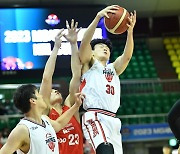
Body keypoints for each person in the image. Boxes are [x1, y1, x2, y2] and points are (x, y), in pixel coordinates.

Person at [0, 30, 84, 154]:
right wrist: (55, 47)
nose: (43, 94)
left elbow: (60, 123)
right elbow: (46, 78)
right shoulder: (23, 129)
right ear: (33, 100)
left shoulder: (46, 120)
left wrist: (76, 105)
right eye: (38, 93)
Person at [79, 5, 136, 154]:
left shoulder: (113, 68)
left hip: (113, 120)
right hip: (95, 116)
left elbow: (127, 56)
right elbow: (85, 42)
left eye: (107, 48)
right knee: (105, 150)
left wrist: (129, 32)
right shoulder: (89, 64)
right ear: (92, 52)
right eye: (100, 46)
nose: (105, 48)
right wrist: (98, 17)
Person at [39, 19, 83, 154]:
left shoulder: (70, 106)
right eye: (52, 91)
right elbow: (47, 78)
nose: (55, 90)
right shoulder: (45, 113)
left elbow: (76, 75)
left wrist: (73, 44)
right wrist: (56, 47)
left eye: (55, 89)